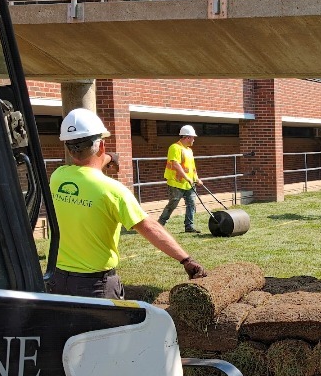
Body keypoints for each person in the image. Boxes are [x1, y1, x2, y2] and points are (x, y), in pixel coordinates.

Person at [49, 108, 206, 298]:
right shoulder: (113, 191)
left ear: (68, 148)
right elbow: (149, 228)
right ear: (101, 146)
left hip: (58, 280)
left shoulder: (58, 177)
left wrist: (109, 158)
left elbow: (86, 162)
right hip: (96, 286)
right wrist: (186, 260)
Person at [158, 124, 201, 233]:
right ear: (187, 137)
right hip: (176, 183)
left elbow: (192, 167)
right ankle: (160, 224)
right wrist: (186, 177)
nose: (194, 140)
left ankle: (189, 226)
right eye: (193, 138)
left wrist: (196, 178)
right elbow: (175, 164)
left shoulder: (189, 151)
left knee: (191, 204)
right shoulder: (175, 147)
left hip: (189, 184)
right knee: (173, 204)